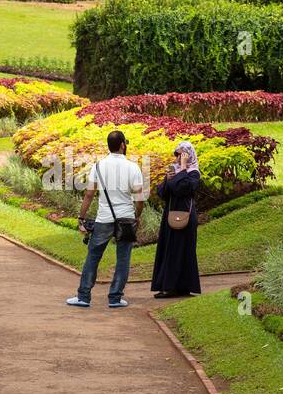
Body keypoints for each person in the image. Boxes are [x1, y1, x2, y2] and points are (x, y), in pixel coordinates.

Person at [67, 130, 145, 309]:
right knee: (123, 259)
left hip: (103, 218)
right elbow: (139, 198)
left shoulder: (99, 166)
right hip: (126, 218)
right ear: (123, 145)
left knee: (93, 257)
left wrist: (81, 218)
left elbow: (88, 194)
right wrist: (136, 217)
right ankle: (115, 298)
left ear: (109, 146)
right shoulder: (133, 167)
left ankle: (83, 297)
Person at [151, 141, 202, 298]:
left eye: (182, 154)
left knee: (184, 250)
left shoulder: (193, 173)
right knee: (170, 250)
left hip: (185, 217)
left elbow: (183, 188)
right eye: (177, 154)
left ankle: (181, 287)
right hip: (170, 215)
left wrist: (184, 168)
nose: (179, 157)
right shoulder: (176, 171)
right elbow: (161, 193)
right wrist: (167, 179)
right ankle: (169, 286)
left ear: (189, 155)